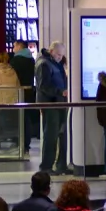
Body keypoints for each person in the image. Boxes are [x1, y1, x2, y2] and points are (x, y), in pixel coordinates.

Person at [35, 41, 69, 174]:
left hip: (58, 103)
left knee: (60, 134)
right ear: (51, 51)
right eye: (58, 54)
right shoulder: (43, 64)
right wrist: (60, 92)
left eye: (62, 55)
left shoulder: (54, 63)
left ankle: (61, 164)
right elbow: (43, 86)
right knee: (51, 136)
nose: (60, 57)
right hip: (50, 104)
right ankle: (46, 166)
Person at [0, 51, 21, 150]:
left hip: (0, 102)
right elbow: (18, 86)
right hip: (13, 102)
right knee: (12, 123)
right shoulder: (13, 71)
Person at [9, 40, 39, 145]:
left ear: (19, 46)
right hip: (29, 91)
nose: (13, 49)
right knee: (27, 117)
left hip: (18, 92)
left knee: (20, 118)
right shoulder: (31, 59)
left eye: (14, 46)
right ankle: (26, 142)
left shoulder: (16, 60)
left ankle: (20, 142)